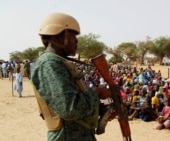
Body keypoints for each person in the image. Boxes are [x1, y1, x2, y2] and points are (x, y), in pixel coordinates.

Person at [31, 12, 113, 141]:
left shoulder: (60, 62)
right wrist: (97, 92)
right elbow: (70, 109)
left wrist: (97, 108)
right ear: (58, 37)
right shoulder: (50, 64)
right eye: (72, 36)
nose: (76, 41)